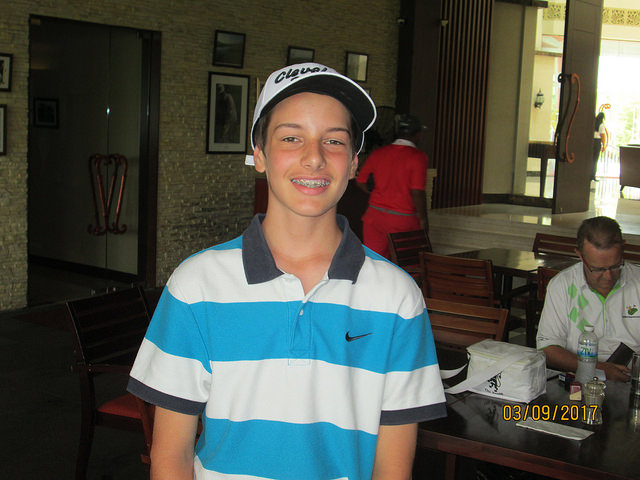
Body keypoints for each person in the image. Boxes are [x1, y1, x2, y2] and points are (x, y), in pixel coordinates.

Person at [128, 62, 447, 480]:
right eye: (291, 138)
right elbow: (171, 455)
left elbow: (393, 467)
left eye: (334, 141)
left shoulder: (397, 297)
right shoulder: (196, 286)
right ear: (259, 155)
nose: (314, 157)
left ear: (354, 162)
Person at [537, 216, 640, 382]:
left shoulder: (637, 283)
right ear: (580, 255)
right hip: (577, 378)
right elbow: (548, 350)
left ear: (623, 249)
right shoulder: (562, 285)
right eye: (598, 269)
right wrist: (598, 368)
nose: (608, 276)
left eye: (615, 266)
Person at [355, 113, 429, 259]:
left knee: (375, 262)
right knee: (407, 265)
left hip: (374, 217)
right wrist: (423, 218)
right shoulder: (417, 157)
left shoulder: (379, 153)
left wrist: (380, 195)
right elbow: (417, 191)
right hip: (403, 220)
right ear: (417, 135)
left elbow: (360, 181)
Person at [591, 112, 606, 182]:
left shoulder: (592, 123)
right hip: (597, 142)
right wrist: (604, 145)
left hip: (590, 141)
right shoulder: (601, 125)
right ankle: (592, 176)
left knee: (590, 159)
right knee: (595, 160)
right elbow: (602, 135)